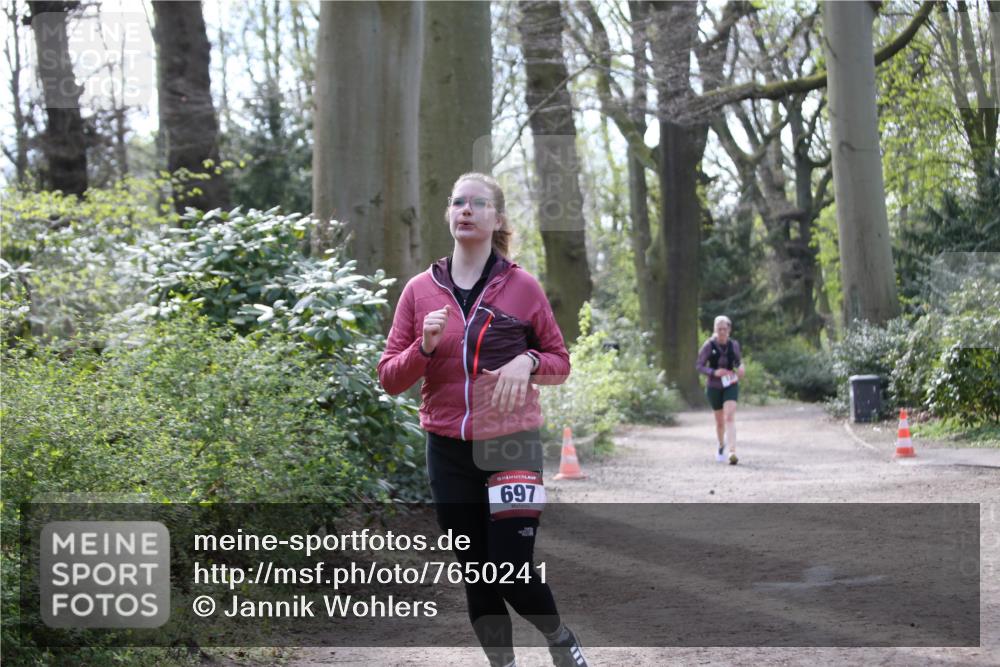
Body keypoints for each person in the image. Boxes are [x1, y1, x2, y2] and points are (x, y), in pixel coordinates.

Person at [378, 172, 588, 667]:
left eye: (478, 203)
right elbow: (389, 377)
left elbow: (560, 361)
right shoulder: (418, 292)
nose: (466, 209)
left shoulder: (523, 288)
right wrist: (423, 347)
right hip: (447, 450)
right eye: (458, 202)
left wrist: (528, 361)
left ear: (496, 219)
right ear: (448, 215)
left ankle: (559, 638)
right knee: (475, 571)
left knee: (509, 570)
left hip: (512, 444)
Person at [696, 315, 745, 465]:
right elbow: (699, 365)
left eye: (725, 329)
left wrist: (741, 367)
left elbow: (738, 361)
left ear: (729, 330)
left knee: (729, 416)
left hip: (730, 384)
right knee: (719, 422)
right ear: (715, 330)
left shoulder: (734, 345)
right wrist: (713, 372)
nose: (722, 332)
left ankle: (732, 452)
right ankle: (721, 445)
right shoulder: (709, 346)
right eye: (719, 329)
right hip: (714, 387)